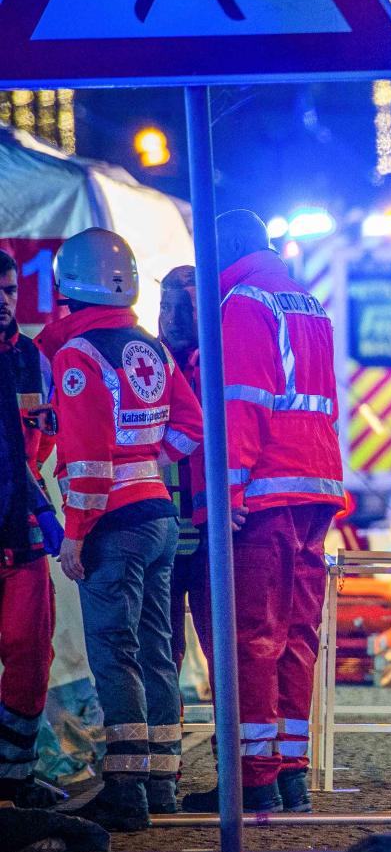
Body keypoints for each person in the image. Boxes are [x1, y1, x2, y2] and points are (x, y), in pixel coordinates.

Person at [37, 229, 202, 830]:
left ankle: (125, 789)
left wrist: (75, 535)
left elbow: (85, 463)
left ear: (67, 290)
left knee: (114, 652)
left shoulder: (79, 357)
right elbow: (191, 426)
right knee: (157, 650)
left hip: (112, 524)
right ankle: (162, 782)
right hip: (160, 516)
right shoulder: (150, 350)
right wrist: (151, 464)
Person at [182, 210, 344, 815]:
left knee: (251, 636)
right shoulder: (307, 302)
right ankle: (290, 775)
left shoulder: (242, 303)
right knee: (297, 635)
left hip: (266, 493)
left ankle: (253, 780)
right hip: (314, 488)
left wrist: (226, 493)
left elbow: (241, 405)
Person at [0, 250, 66, 807]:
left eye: (7, 291)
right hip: (25, 519)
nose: (2, 302)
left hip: (20, 535)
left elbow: (40, 443)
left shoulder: (32, 359)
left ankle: (14, 774)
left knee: (29, 651)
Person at [156, 265, 205, 681]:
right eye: (166, 307)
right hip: (159, 530)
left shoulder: (219, 366)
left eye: (186, 308)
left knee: (223, 644)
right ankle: (166, 737)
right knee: (161, 645)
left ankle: (231, 742)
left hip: (213, 533)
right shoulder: (144, 363)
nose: (173, 319)